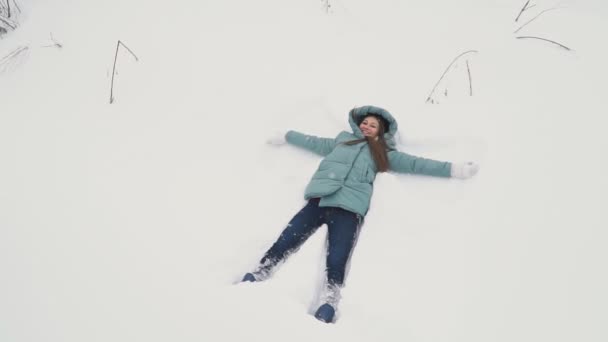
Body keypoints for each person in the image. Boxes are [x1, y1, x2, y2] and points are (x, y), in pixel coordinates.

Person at [241, 105, 479, 323]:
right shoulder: (341, 141)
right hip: (320, 200)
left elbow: (417, 163)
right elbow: (312, 141)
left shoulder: (383, 154)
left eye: (372, 125)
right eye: (364, 122)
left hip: (350, 210)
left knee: (338, 256)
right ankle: (262, 270)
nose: (366, 126)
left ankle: (330, 298)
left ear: (381, 131)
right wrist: (287, 135)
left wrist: (454, 170)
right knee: (288, 237)